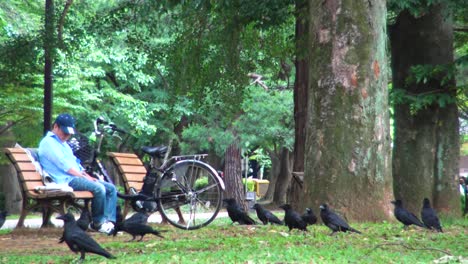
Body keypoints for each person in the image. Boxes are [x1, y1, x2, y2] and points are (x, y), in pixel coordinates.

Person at [38, 113, 117, 234]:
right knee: (99, 188)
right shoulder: (49, 143)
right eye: (65, 132)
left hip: (75, 176)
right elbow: (64, 166)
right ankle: (98, 223)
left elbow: (75, 164)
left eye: (69, 133)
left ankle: (110, 223)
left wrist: (87, 176)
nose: (67, 136)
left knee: (111, 188)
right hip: (66, 180)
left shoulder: (63, 144)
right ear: (56, 127)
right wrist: (82, 176)